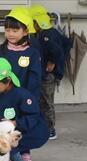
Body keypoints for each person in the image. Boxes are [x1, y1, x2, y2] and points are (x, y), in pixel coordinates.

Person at [0, 7, 43, 161]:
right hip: (1, 96)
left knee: (20, 125)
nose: (10, 34)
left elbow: (35, 78)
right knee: (1, 124)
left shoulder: (32, 53)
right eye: (7, 30)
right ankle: (3, 154)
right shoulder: (0, 50)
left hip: (22, 97)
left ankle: (23, 152)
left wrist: (30, 98)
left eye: (15, 30)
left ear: (26, 31)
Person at [30, 4, 70, 140]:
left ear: (36, 22)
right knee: (43, 101)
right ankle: (44, 127)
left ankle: (50, 129)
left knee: (46, 102)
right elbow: (67, 42)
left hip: (48, 75)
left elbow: (57, 50)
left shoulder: (46, 35)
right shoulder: (51, 32)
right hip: (44, 74)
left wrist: (53, 62)